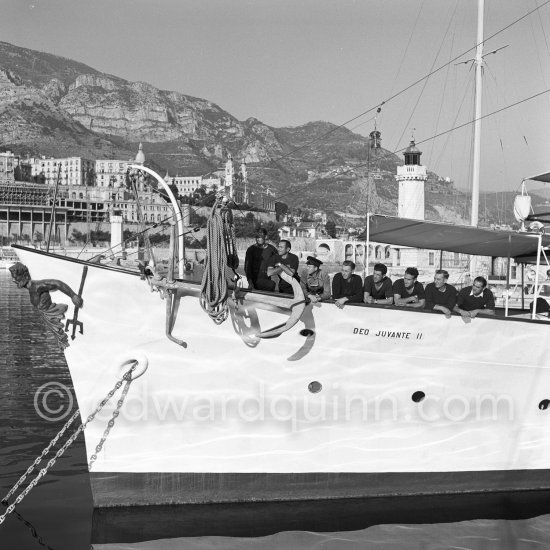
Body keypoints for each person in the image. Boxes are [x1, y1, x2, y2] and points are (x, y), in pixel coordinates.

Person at [9, 262, 84, 350]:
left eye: (15, 276)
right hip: (46, 316)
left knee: (61, 338)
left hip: (52, 314)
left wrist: (73, 296)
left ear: (24, 275)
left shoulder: (37, 286)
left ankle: (65, 343)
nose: (13, 280)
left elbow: (57, 283)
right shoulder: (30, 287)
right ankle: (63, 342)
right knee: (59, 337)